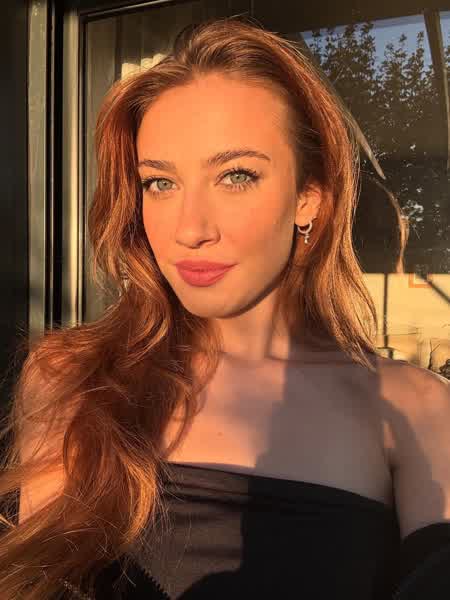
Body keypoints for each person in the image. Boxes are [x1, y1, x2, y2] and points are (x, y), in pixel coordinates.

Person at [0, 15, 448, 600]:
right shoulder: (73, 376)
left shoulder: (414, 408)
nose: (190, 230)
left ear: (309, 198)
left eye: (236, 176)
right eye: (160, 183)